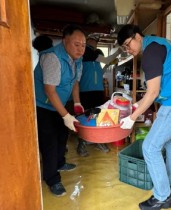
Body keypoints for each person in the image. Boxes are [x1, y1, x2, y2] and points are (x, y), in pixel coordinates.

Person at [117, 24, 171, 209]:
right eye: (125, 49)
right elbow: (162, 85)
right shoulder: (158, 44)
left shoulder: (150, 52)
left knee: (150, 147)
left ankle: (162, 197)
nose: (129, 50)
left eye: (128, 44)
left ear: (137, 36)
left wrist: (132, 117)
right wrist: (138, 105)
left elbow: (152, 92)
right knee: (168, 141)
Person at [34, 24, 86, 197]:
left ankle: (60, 163)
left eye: (83, 45)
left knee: (62, 136)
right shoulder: (52, 58)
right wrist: (65, 115)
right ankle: (52, 179)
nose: (80, 49)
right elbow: (50, 90)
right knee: (49, 142)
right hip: (43, 106)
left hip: (60, 104)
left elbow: (75, 83)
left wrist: (77, 103)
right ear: (65, 41)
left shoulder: (77, 61)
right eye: (76, 44)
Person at [76, 35, 118, 156]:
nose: (94, 42)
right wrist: (119, 51)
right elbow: (107, 60)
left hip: (98, 91)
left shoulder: (95, 60)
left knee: (99, 116)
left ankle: (98, 141)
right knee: (85, 117)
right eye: (92, 40)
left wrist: (109, 63)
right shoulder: (85, 52)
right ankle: (82, 144)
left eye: (96, 41)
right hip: (85, 91)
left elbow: (102, 70)